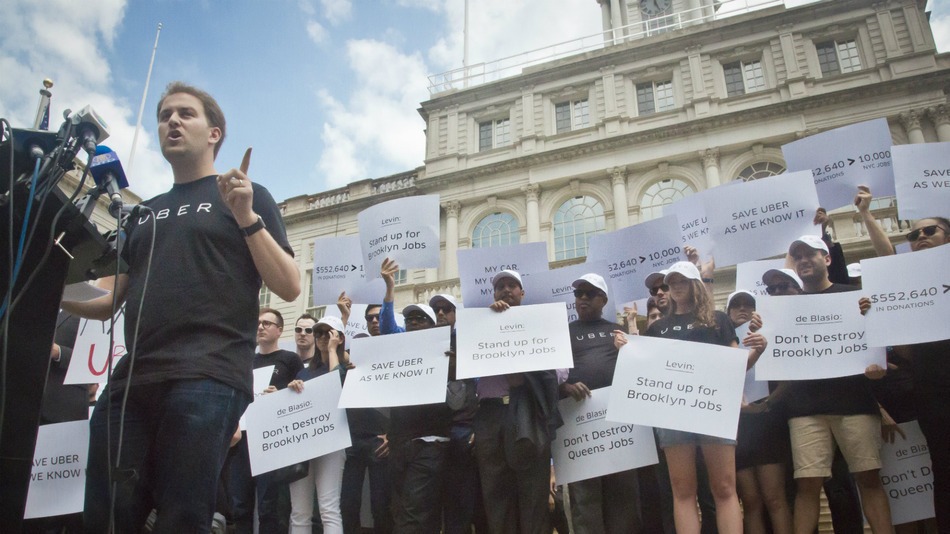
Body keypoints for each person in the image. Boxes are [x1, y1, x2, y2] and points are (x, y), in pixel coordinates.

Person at [61, 82, 299, 532]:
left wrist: (247, 216)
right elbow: (108, 299)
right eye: (164, 114)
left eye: (185, 113)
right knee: (105, 513)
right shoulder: (143, 213)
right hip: (132, 380)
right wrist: (48, 289)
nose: (171, 120)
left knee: (183, 515)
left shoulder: (248, 195)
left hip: (208, 376)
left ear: (214, 133)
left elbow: (287, 285)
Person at [630, 261, 767, 534]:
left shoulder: (719, 320)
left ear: (695, 284)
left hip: (714, 410)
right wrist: (627, 348)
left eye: (682, 281)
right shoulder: (658, 328)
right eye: (672, 282)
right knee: (683, 491)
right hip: (673, 415)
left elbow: (735, 367)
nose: (676, 287)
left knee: (725, 488)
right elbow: (648, 372)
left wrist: (759, 350)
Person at [778, 235, 893, 534]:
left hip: (854, 402)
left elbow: (877, 348)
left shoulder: (855, 298)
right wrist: (761, 333)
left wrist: (876, 364)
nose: (803, 260)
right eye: (797, 256)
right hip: (805, 409)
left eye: (810, 254)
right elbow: (780, 356)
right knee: (807, 484)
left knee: (869, 479)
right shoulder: (782, 310)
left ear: (827, 259)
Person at [859, 202, 950, 531]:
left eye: (929, 231)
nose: (921, 237)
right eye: (914, 234)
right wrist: (879, 315)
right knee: (944, 468)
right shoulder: (911, 282)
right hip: (934, 391)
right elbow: (889, 263)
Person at [475, 269, 563, 534]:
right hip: (491, 416)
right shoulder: (481, 326)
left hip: (529, 412)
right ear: (493, 294)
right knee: (496, 494)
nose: (506, 290)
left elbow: (560, 373)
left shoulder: (541, 324)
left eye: (512, 285)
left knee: (533, 493)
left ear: (522, 293)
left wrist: (525, 374)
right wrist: (492, 328)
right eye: (500, 286)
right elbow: (472, 372)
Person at [560, 273, 642, 534]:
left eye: (589, 293)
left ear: (603, 299)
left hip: (617, 426)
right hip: (578, 427)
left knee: (623, 496)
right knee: (585, 500)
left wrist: (627, 350)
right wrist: (565, 387)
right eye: (578, 293)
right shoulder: (562, 333)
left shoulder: (615, 332)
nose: (582, 298)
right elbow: (551, 376)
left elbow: (637, 376)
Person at [230, 308, 303, 534]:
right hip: (243, 439)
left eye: (267, 323)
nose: (260, 327)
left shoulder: (290, 359)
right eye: (258, 323)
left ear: (280, 330)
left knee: (268, 506)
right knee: (239, 505)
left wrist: (280, 394)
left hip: (271, 441)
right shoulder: (245, 360)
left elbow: (300, 395)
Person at [726, 291, 793, 534]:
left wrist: (764, 406)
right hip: (736, 429)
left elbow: (788, 378)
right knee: (751, 501)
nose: (742, 309)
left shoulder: (769, 335)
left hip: (766, 424)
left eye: (748, 305)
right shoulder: (718, 339)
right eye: (736, 305)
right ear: (727, 312)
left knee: (774, 498)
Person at [285, 316, 348, 534]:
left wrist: (332, 351)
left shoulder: (347, 366)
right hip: (304, 445)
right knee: (300, 512)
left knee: (329, 508)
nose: (322, 337)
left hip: (332, 443)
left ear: (339, 337)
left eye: (327, 333)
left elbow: (336, 387)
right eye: (318, 333)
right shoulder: (304, 371)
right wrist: (292, 388)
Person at [428, 293, 485, 534]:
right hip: (434, 435)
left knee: (467, 502)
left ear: (455, 314)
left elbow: (483, 387)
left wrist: (478, 428)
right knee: (441, 503)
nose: (441, 313)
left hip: (465, 431)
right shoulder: (422, 343)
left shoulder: (468, 339)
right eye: (437, 309)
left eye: (447, 309)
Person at [339, 300, 392, 534]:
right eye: (369, 317)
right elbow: (334, 350)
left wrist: (395, 434)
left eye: (378, 317)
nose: (374, 321)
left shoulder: (397, 349)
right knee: (348, 504)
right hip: (352, 438)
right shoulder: (354, 352)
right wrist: (344, 318)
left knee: (381, 505)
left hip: (381, 440)